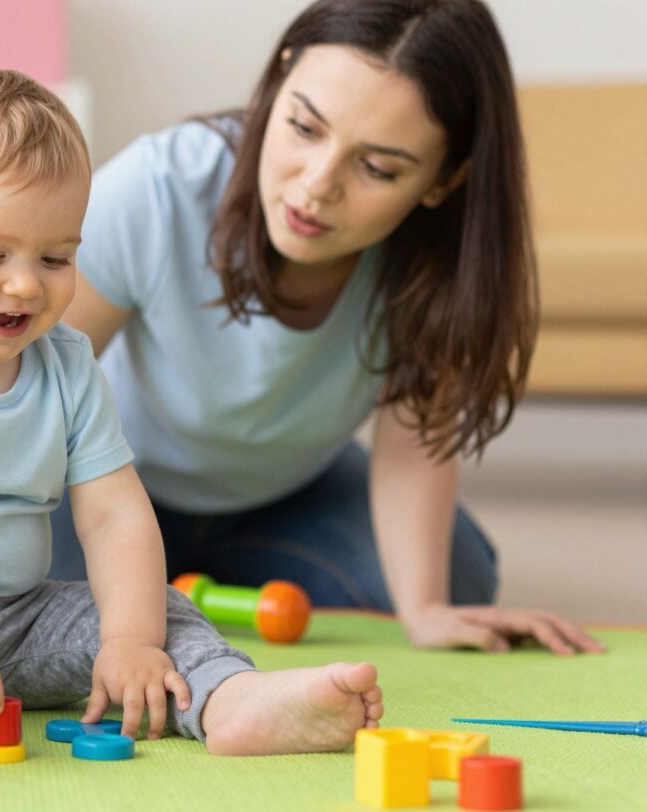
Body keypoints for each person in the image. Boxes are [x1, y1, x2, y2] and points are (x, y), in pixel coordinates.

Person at [0, 66, 383, 766]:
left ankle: (230, 699)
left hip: (17, 622)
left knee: (162, 613)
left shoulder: (68, 364)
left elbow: (113, 514)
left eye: (56, 257)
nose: (25, 284)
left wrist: (131, 641)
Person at [49, 0, 604, 657]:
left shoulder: (435, 265)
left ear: (442, 180)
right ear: (281, 80)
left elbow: (414, 447)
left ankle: (191, 589)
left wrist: (424, 608)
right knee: (24, 601)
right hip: (100, 485)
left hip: (283, 493)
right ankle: (177, 589)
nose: (316, 187)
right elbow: (37, 388)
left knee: (457, 575)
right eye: (305, 127)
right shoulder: (158, 187)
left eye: (377, 169)